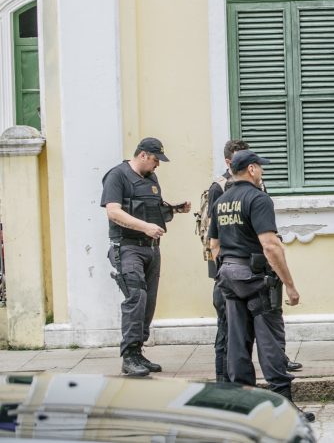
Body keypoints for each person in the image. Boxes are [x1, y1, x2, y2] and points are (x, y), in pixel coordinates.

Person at [208, 150, 313, 422]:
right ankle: (284, 407)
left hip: (228, 275)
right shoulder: (258, 198)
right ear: (252, 170)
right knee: (271, 343)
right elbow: (270, 245)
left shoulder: (221, 201)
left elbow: (214, 246)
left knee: (237, 343)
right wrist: (290, 285)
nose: (262, 172)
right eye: (260, 168)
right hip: (256, 277)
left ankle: (243, 408)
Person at [101, 137, 191, 377]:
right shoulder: (117, 176)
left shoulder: (151, 179)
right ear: (142, 155)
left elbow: (152, 208)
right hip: (127, 248)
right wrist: (144, 227)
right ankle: (128, 356)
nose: (157, 165)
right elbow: (113, 212)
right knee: (136, 299)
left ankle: (138, 351)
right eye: (155, 159)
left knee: (148, 302)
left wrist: (174, 209)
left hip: (151, 248)